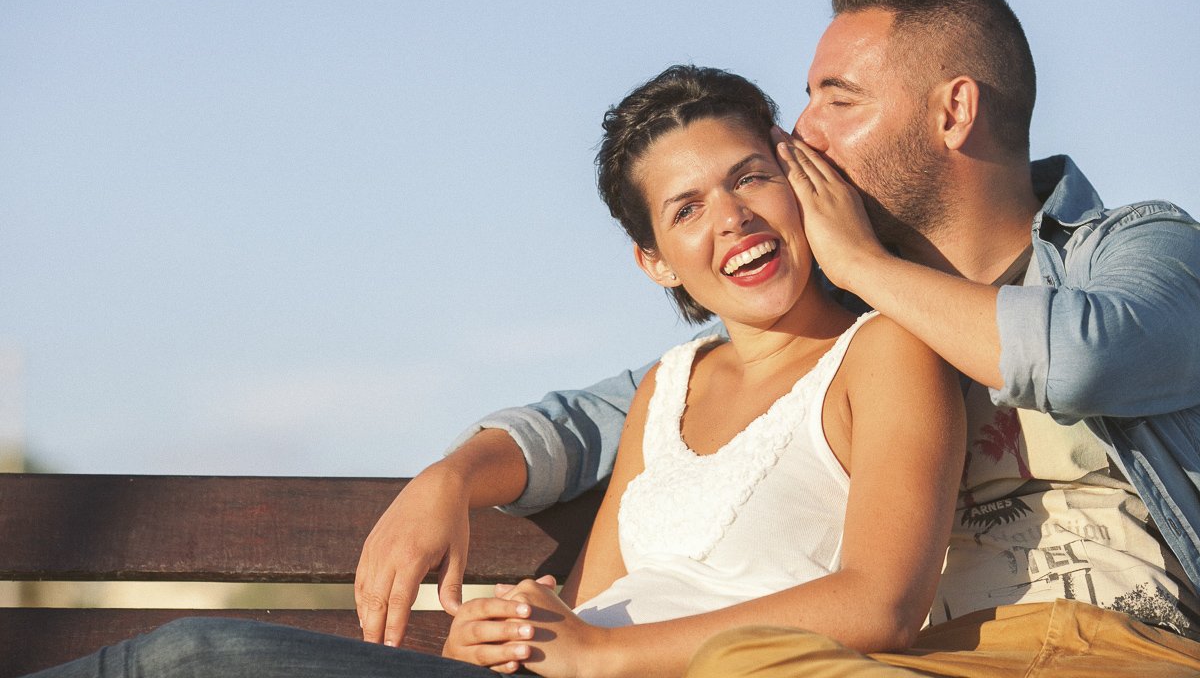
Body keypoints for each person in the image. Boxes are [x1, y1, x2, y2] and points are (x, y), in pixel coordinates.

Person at [357, 0, 1200, 676]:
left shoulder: (1137, 249)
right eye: (806, 100)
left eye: (838, 98)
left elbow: (1091, 355)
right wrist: (456, 475)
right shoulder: (841, 325)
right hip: (939, 659)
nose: (805, 133)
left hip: (1121, 642)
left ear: (953, 112)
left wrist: (863, 263)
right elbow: (603, 420)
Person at [24, 67, 964, 678]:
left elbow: (880, 601)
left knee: (192, 659)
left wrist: (604, 656)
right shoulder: (666, 386)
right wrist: (513, 629)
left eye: (750, 177)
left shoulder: (883, 351)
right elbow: (587, 604)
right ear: (656, 261)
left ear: (799, 180)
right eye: (685, 210)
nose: (731, 220)